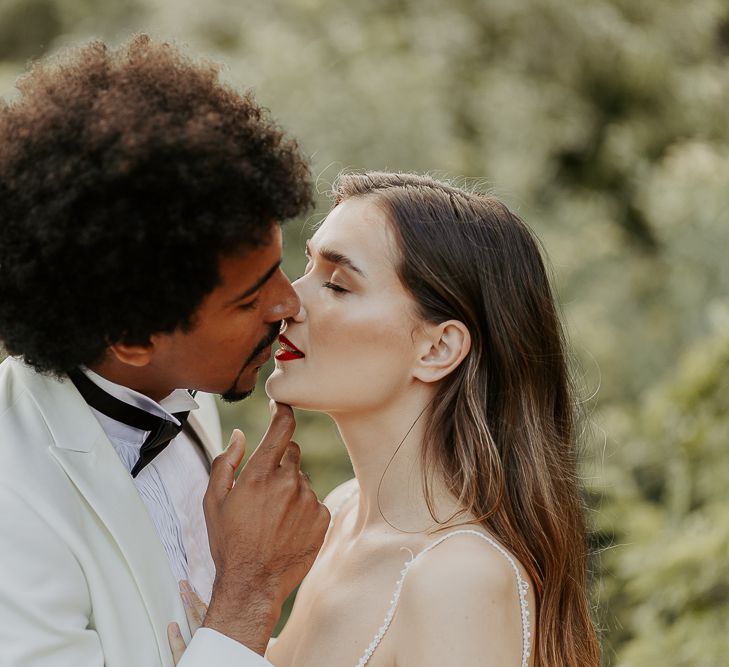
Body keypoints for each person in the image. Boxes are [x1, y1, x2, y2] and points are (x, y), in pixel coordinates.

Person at [172, 172, 602, 666]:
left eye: (336, 284)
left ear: (438, 348)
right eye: (307, 267)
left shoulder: (458, 578)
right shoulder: (340, 515)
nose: (290, 301)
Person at [0, 36, 330, 667]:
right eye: (249, 299)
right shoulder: (10, 507)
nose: (290, 304)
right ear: (132, 336)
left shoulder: (183, 393)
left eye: (280, 269)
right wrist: (251, 596)